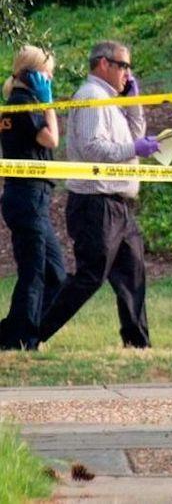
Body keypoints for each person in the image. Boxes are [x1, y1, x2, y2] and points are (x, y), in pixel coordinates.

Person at [39, 41, 161, 348]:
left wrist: (134, 103)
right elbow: (94, 148)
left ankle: (138, 344)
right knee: (90, 276)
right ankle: (31, 332)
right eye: (123, 66)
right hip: (96, 203)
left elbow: (134, 136)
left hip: (119, 204)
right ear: (104, 64)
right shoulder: (91, 97)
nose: (128, 74)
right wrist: (135, 148)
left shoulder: (111, 101)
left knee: (133, 274)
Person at [0, 46, 66, 350]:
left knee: (55, 273)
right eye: (46, 74)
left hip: (30, 197)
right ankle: (18, 338)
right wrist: (48, 103)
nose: (49, 79)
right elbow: (51, 139)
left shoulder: (16, 105)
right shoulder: (23, 105)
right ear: (31, 75)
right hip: (27, 196)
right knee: (34, 272)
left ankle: (21, 330)